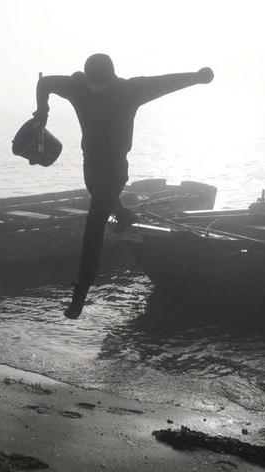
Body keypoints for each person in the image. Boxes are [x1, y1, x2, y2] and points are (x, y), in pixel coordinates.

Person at [32, 54, 214, 319]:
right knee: (96, 190)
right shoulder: (78, 87)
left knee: (93, 227)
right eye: (92, 84)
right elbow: (44, 83)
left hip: (115, 169)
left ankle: (80, 294)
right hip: (91, 167)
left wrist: (196, 77)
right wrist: (42, 112)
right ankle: (125, 214)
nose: (95, 89)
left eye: (101, 84)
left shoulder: (130, 90)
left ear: (112, 78)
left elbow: (165, 82)